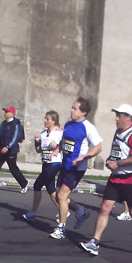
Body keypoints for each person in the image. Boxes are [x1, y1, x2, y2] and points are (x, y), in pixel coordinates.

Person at [80, 104, 132, 258]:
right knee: (104, 208)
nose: (116, 118)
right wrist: (111, 160)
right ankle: (94, 242)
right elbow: (117, 151)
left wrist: (119, 163)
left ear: (128, 117)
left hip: (131, 179)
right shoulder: (118, 131)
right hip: (116, 177)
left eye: (119, 115)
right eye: (116, 115)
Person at [49, 98, 102, 239]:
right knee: (59, 195)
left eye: (75, 109)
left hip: (76, 168)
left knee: (61, 196)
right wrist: (57, 150)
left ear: (83, 112)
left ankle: (61, 228)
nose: (71, 110)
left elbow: (98, 147)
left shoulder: (88, 127)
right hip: (65, 165)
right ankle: (80, 213)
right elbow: (64, 141)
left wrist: (84, 158)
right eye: (72, 108)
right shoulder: (68, 124)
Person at [23, 110, 63, 221]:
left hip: (55, 163)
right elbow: (38, 150)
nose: (45, 121)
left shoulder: (59, 133)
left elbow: (65, 147)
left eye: (47, 119)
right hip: (45, 163)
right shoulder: (43, 133)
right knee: (51, 189)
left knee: (37, 185)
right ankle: (63, 210)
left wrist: (57, 146)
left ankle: (32, 212)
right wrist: (36, 141)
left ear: (54, 121)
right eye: (45, 118)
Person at [0, 106, 29, 194]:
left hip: (11, 150)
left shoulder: (16, 124)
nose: (5, 113)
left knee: (13, 168)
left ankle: (24, 184)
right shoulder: (3, 123)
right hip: (2, 149)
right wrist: (0, 145)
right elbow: (2, 136)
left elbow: (15, 137)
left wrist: (7, 146)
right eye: (5, 111)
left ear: (12, 113)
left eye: (7, 112)